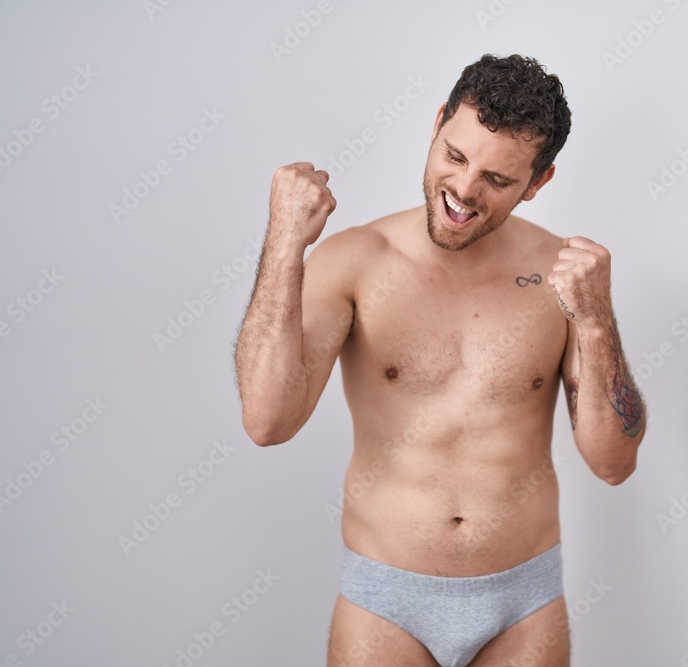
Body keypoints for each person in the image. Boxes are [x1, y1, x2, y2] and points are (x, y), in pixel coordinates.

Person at [235, 53, 647, 667]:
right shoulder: (354, 261)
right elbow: (268, 421)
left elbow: (613, 463)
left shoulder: (562, 276)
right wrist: (284, 242)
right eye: (454, 156)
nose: (463, 191)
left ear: (538, 183)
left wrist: (596, 321)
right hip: (386, 600)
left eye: (498, 180)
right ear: (436, 126)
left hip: (522, 602)